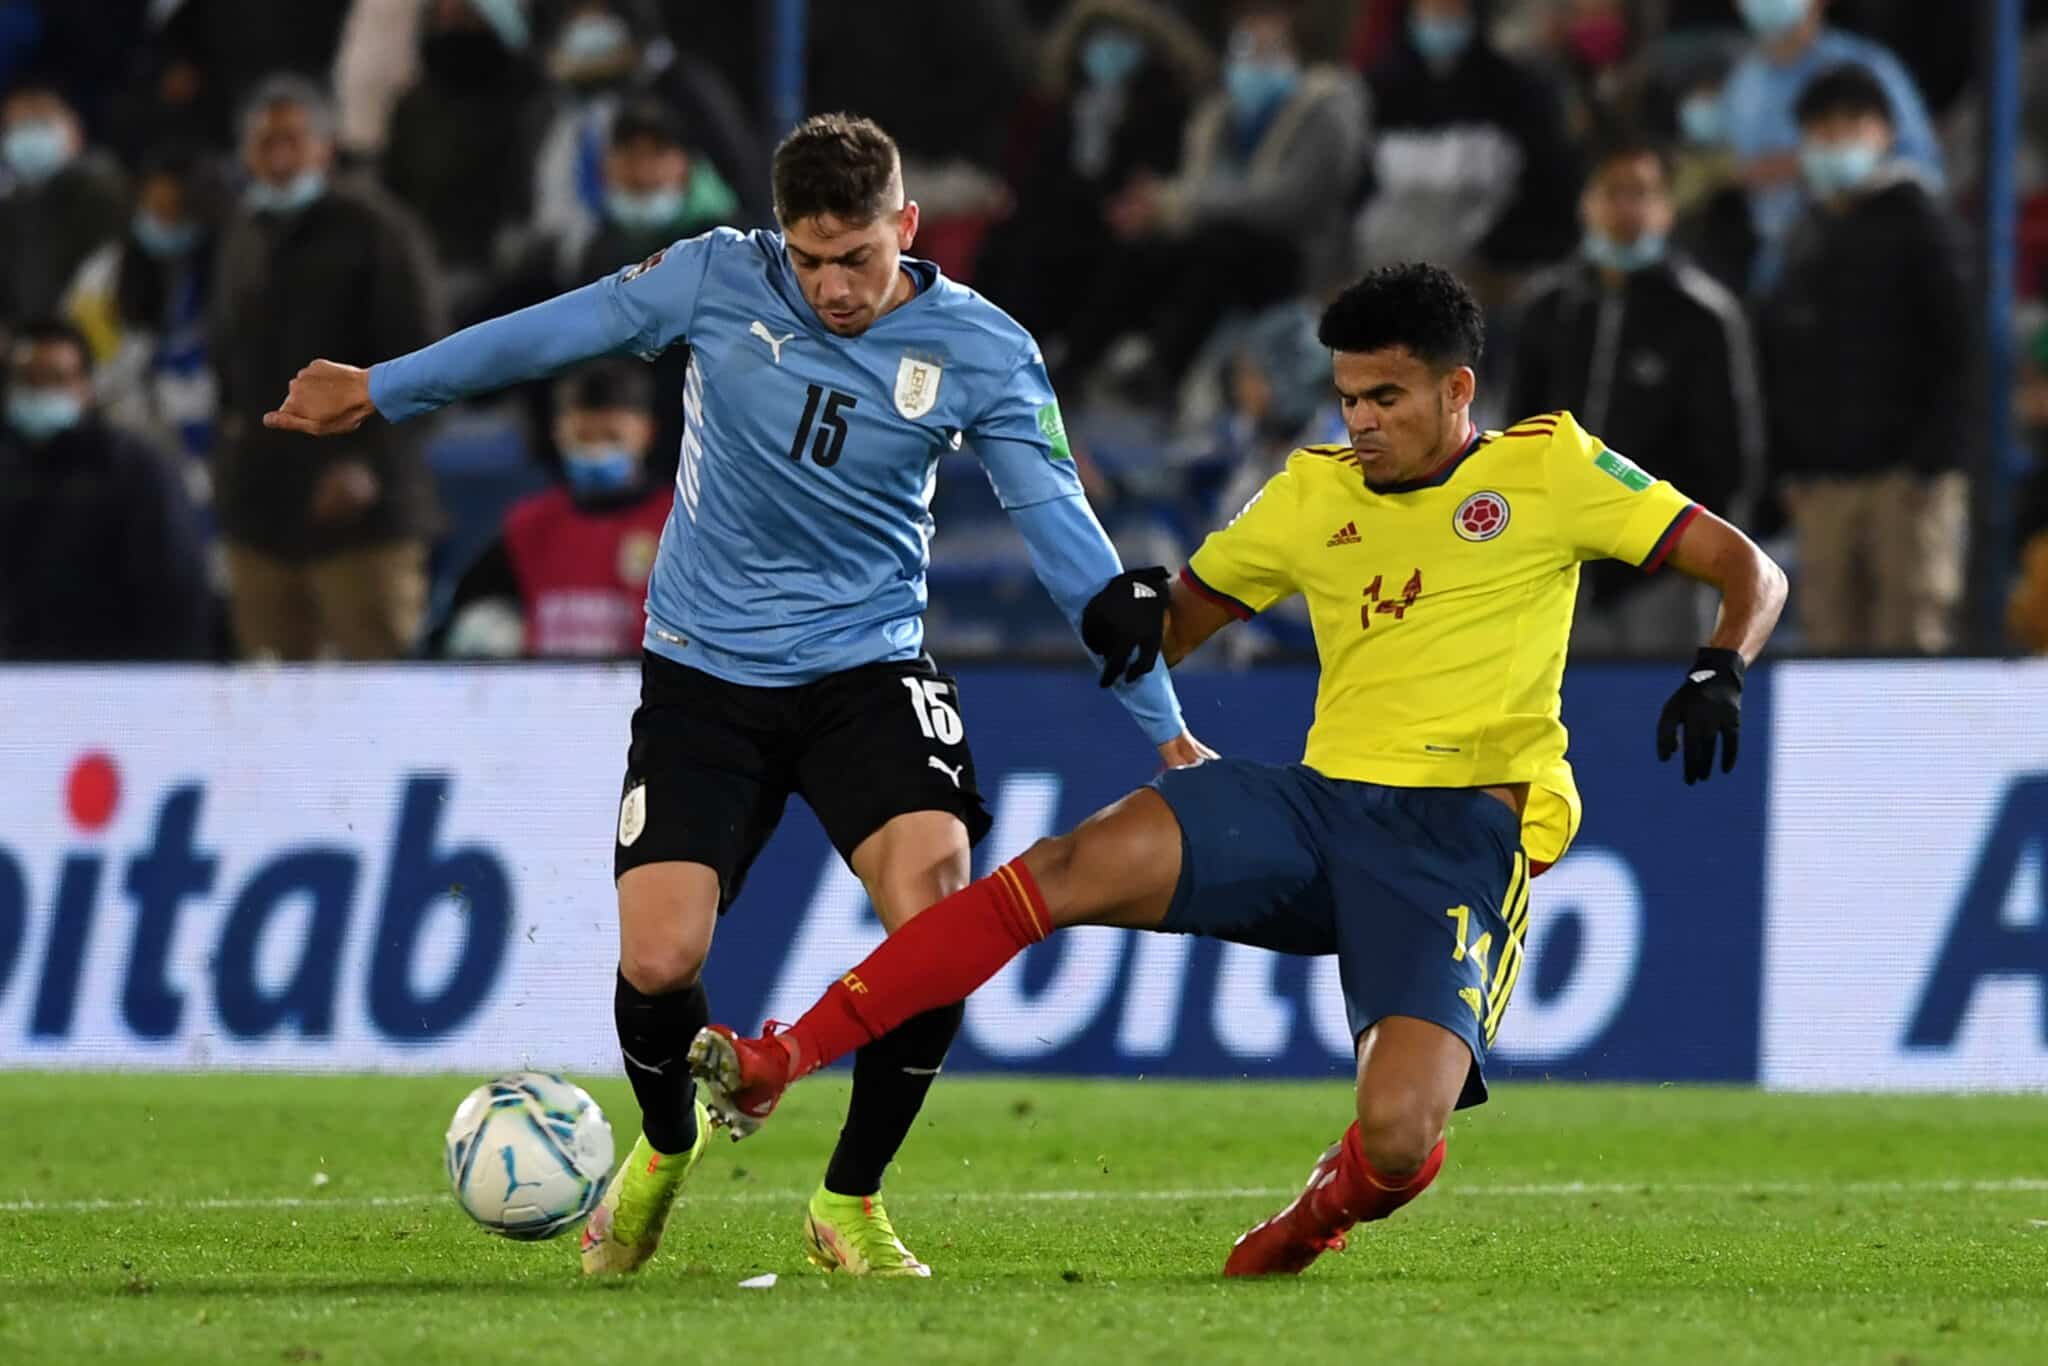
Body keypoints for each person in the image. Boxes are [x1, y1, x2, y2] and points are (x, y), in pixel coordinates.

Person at [684, 262, 1788, 1277]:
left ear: (1456, 390)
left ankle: (1322, 1208)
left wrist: (1716, 666)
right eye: (1348, 397)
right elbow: (1175, 623)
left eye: (1385, 398)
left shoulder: (1547, 468)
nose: (1359, 422)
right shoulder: (1310, 492)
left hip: (1456, 842)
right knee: (1062, 865)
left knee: (1400, 1138)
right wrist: (1133, 604)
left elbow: (1748, 569)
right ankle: (783, 1054)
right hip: (1309, 812)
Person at [262, 112, 1207, 1278]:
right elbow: (559, 332)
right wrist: (385, 388)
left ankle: (848, 1200)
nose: (829, 286)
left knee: (940, 916)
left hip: (869, 666)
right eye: (807, 260)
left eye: (854, 257)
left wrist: (1163, 729)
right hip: (704, 673)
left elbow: (1071, 548)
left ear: (904, 229)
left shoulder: (982, 349)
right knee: (660, 962)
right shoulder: (716, 276)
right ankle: (660, 1151)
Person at [1506, 129, 1764, 656]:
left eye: (1642, 192)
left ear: (1667, 209)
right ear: (1586, 203)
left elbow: (1730, 456)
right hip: (1557, 571)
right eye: (1612, 191)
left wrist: (1694, 556)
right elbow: (1513, 441)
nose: (1626, 208)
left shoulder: (1703, 317)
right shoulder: (1547, 310)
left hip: (1663, 573)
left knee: (1658, 721)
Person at [212, 75, 444, 661]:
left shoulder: (377, 229)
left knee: (378, 695)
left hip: (364, 515)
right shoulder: (241, 231)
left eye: (293, 138)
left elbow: (428, 359)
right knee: (268, 710)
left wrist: (372, 465)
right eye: (264, 142)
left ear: (325, 145)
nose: (279, 155)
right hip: (261, 512)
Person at [1758, 64, 1973, 655]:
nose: (1837, 141)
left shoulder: (1921, 224)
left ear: (1884, 133)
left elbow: (1962, 348)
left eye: (1852, 124)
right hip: (1824, 485)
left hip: (1906, 486)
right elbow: (1785, 362)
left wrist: (1932, 464)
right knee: (1829, 649)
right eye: (1822, 128)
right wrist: (1792, 466)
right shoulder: (1804, 235)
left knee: (1910, 646)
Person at [1054, 0, 1369, 400]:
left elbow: (1289, 202)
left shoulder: (1329, 106)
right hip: (1221, 242)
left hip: (1296, 257)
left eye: (1268, 50)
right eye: (1246, 48)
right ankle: (1075, 364)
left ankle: (1162, 371)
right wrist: (1162, 210)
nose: (1254, 62)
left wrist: (1184, 202)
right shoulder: (1219, 114)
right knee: (1141, 247)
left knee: (1220, 248)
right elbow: (1199, 189)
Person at [0, 317, 213, 661]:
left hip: (114, 680)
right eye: (28, 380)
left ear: (85, 386)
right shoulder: (9, 468)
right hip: (19, 678)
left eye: (56, 379)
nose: (40, 392)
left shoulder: (136, 471)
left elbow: (176, 592)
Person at [438, 361, 672, 659]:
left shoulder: (676, 526)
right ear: (558, 434)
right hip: (547, 696)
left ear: (645, 433)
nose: (597, 451)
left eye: (612, 437)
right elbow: (461, 614)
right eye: (583, 437)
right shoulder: (529, 526)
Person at [1357, 0, 1578, 301]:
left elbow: (1551, 191)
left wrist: (1500, 255)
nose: (1440, 22)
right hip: (1387, 282)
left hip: (1490, 284)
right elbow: (1355, 193)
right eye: (1431, 11)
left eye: (1451, 11)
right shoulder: (1377, 90)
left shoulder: (1518, 92)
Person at [1719, 0, 1940, 291]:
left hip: (1877, 263)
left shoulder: (1868, 67)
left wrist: (1814, 163)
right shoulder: (1744, 84)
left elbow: (1925, 170)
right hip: (1782, 269)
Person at [0, 80, 128, 326]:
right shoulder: (12, 202)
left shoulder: (100, 184)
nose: (29, 137)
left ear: (74, 131)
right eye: (18, 127)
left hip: (99, 333)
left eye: (40, 123)